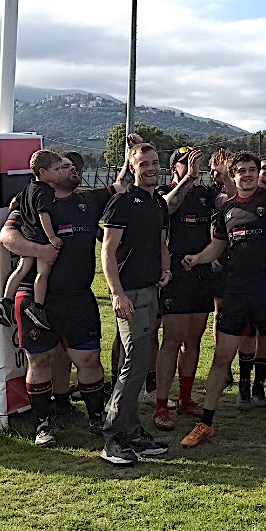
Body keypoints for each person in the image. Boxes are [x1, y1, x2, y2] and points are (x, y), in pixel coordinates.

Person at [179, 151, 266, 449]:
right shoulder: (227, 208)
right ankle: (206, 423)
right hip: (235, 291)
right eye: (242, 171)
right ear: (233, 175)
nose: (248, 175)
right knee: (222, 358)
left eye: (252, 170)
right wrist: (197, 258)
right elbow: (216, 247)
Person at [0, 156, 117, 447]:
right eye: (64, 166)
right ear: (49, 175)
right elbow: (6, 236)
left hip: (79, 297)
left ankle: (96, 417)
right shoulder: (30, 200)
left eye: (73, 167)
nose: (72, 170)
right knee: (40, 360)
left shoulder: (88, 202)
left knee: (88, 358)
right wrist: (40, 249)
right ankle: (42, 425)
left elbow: (123, 185)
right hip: (36, 296)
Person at [99, 142, 173, 465]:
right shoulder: (123, 202)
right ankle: (113, 436)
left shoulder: (159, 203)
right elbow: (108, 253)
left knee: (142, 363)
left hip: (151, 291)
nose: (151, 168)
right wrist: (117, 293)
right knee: (134, 363)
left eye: (155, 162)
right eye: (144, 164)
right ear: (133, 168)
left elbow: (160, 243)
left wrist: (166, 268)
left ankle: (131, 431)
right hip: (130, 296)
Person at [151, 147, 217, 431]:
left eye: (195, 162)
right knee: (172, 340)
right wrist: (187, 178)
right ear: (173, 167)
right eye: (184, 162)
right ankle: (162, 404)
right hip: (175, 275)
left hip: (201, 274)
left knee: (194, 340)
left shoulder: (205, 194)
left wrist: (223, 175)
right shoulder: (165, 191)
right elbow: (168, 206)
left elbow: (229, 202)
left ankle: (186, 399)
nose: (191, 165)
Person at [0, 149, 69, 331]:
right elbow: (44, 214)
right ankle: (38, 307)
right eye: (57, 169)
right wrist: (51, 237)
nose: (60, 172)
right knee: (42, 273)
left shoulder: (28, 188)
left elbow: (14, 203)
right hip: (41, 238)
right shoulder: (45, 191)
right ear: (43, 172)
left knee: (21, 269)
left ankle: (6, 300)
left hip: (27, 235)